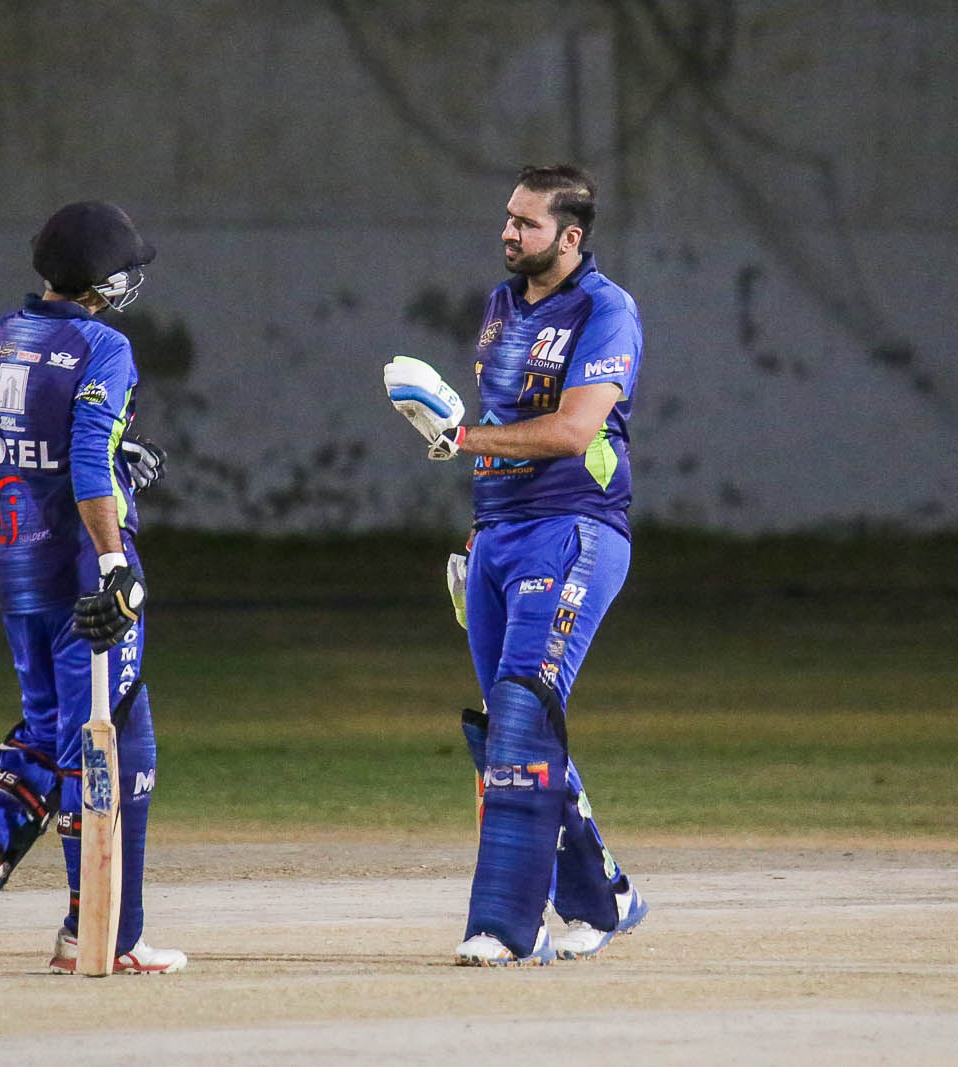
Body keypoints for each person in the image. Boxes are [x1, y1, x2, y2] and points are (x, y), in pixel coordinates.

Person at [384, 164, 648, 966]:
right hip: (498, 536)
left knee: (523, 711)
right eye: (508, 217)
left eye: (527, 223)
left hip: (574, 528)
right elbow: (506, 421)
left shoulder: (606, 309)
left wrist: (457, 437)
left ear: (570, 237)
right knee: (512, 729)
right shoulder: (502, 305)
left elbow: (571, 431)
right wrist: (478, 533)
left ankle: (508, 924)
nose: (508, 231)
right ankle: (606, 896)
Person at [0, 199, 184, 975]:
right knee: (110, 744)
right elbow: (89, 460)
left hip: (15, 565)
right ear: (105, 281)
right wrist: (115, 562)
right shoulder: (104, 345)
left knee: (46, 728)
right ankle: (99, 934)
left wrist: (106, 456)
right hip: (83, 569)